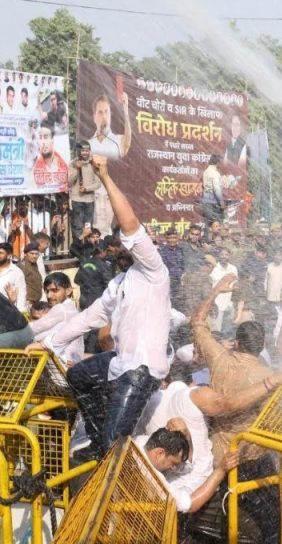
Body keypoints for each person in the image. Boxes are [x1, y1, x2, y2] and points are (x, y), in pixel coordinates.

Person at [31, 156, 170, 461]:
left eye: (125, 239)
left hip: (141, 369)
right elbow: (87, 318)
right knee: (78, 376)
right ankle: (97, 441)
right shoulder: (118, 283)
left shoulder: (154, 270)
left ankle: (108, 459)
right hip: (119, 360)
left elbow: (130, 225)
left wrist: (105, 177)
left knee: (113, 444)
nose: (121, 244)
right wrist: (49, 343)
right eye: (117, 239)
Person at [191, 274, 281, 544]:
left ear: (236, 342)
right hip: (251, 463)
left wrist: (216, 291)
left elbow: (198, 321)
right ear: (261, 345)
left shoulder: (220, 358)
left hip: (217, 462)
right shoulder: (267, 376)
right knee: (271, 530)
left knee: (220, 534)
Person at [135, 364, 282, 514]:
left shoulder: (141, 440)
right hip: (201, 496)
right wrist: (221, 470)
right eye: (173, 464)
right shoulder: (157, 480)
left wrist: (187, 436)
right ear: (159, 453)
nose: (174, 468)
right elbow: (189, 505)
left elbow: (185, 465)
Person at [68, 141, 101, 243]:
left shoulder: (93, 163)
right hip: (76, 200)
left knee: (88, 227)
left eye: (87, 150)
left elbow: (98, 184)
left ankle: (88, 247)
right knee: (78, 225)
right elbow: (69, 181)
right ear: (78, 151)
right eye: (83, 150)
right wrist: (77, 169)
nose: (85, 153)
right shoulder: (72, 163)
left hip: (89, 201)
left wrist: (87, 189)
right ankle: (78, 247)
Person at [89, 93, 132, 159]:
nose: (104, 116)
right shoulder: (88, 145)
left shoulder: (118, 141)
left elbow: (127, 142)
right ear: (94, 118)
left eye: (106, 112)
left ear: (110, 114)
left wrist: (126, 110)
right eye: (100, 112)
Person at [209, 247, 238, 333]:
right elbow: (209, 286)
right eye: (222, 254)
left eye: (226, 255)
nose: (224, 256)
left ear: (229, 256)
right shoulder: (214, 269)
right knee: (216, 330)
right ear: (218, 256)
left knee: (228, 330)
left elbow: (235, 285)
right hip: (217, 304)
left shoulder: (233, 268)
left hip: (229, 304)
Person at [32, 123, 68, 189]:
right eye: (40, 138)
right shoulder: (35, 169)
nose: (43, 142)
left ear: (52, 140)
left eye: (45, 137)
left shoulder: (64, 163)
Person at [17, 242, 43, 309]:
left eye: (36, 254)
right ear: (25, 254)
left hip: (35, 302)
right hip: (27, 303)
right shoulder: (22, 266)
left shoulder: (34, 265)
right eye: (31, 253)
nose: (34, 256)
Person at [201, 155, 224, 225]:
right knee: (216, 224)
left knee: (208, 224)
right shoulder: (215, 173)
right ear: (218, 163)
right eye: (221, 163)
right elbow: (216, 189)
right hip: (214, 201)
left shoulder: (206, 172)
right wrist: (221, 203)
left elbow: (204, 186)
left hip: (206, 200)